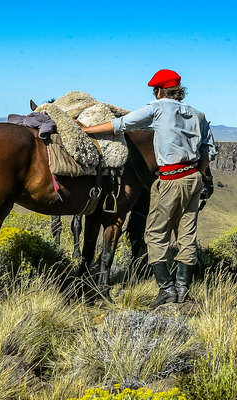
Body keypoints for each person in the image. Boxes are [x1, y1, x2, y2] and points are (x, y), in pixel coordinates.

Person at [83, 69, 217, 307]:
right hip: (194, 178)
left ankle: (166, 289)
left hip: (171, 179)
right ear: (179, 91)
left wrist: (86, 131)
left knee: (155, 234)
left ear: (158, 91)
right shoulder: (198, 114)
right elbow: (208, 150)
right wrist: (197, 171)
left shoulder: (157, 109)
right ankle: (183, 290)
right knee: (186, 235)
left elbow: (120, 124)